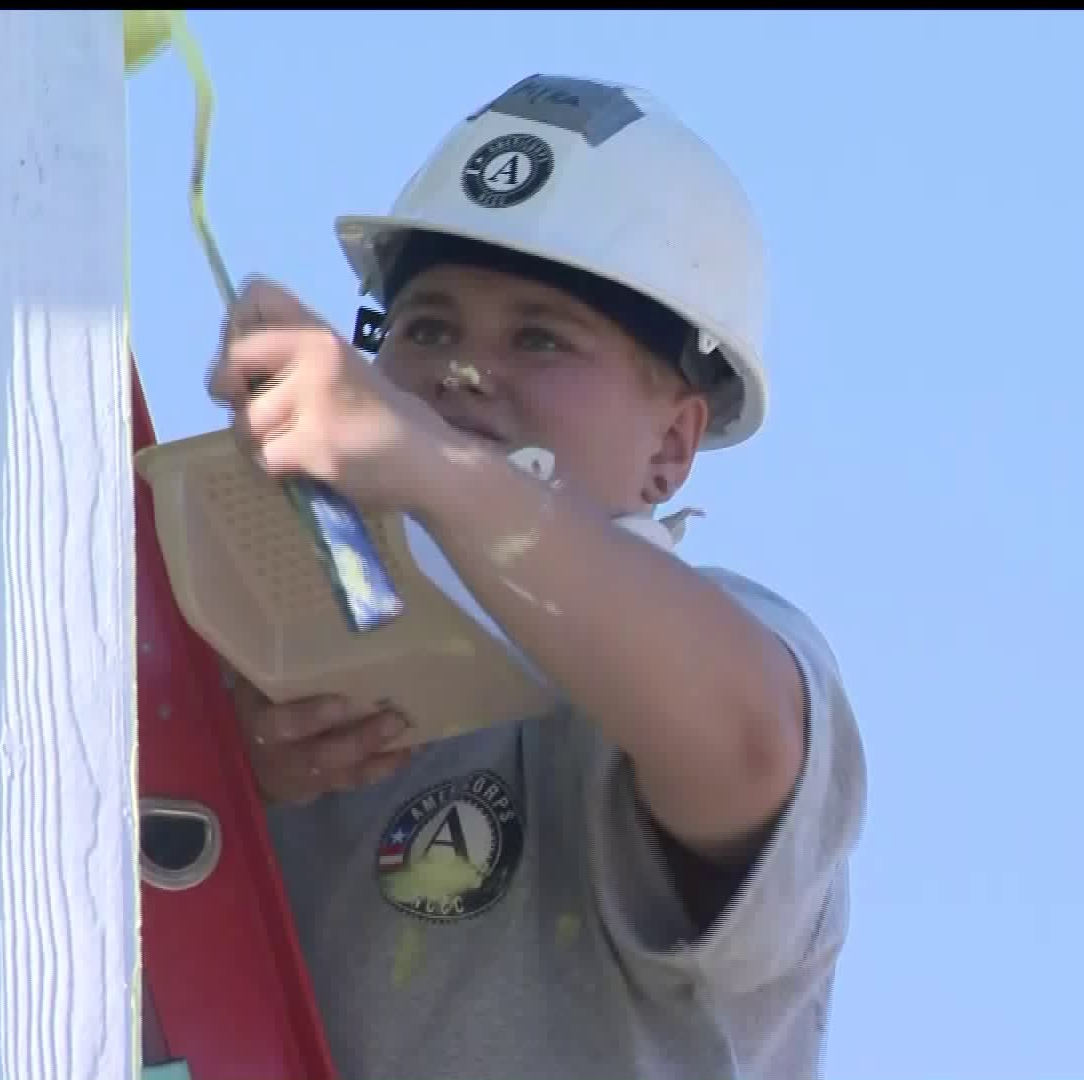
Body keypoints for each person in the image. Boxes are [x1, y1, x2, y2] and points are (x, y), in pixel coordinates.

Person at [206, 73, 867, 1080]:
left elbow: (746, 742)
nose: (464, 372)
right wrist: (213, 778)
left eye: (540, 337)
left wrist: (433, 462)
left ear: (672, 447)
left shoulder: (700, 661)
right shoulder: (269, 671)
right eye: (427, 329)